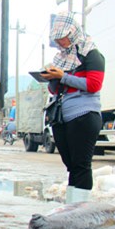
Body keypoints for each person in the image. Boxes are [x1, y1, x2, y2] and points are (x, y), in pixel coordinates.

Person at [41, 11, 105, 203]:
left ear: (73, 32)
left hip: (84, 115)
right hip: (63, 117)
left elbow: (94, 84)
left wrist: (63, 76)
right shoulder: (62, 58)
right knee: (72, 166)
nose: (61, 43)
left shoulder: (91, 53)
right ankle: (71, 208)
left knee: (81, 165)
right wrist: (51, 78)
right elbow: (56, 90)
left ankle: (80, 210)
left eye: (63, 39)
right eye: (58, 40)